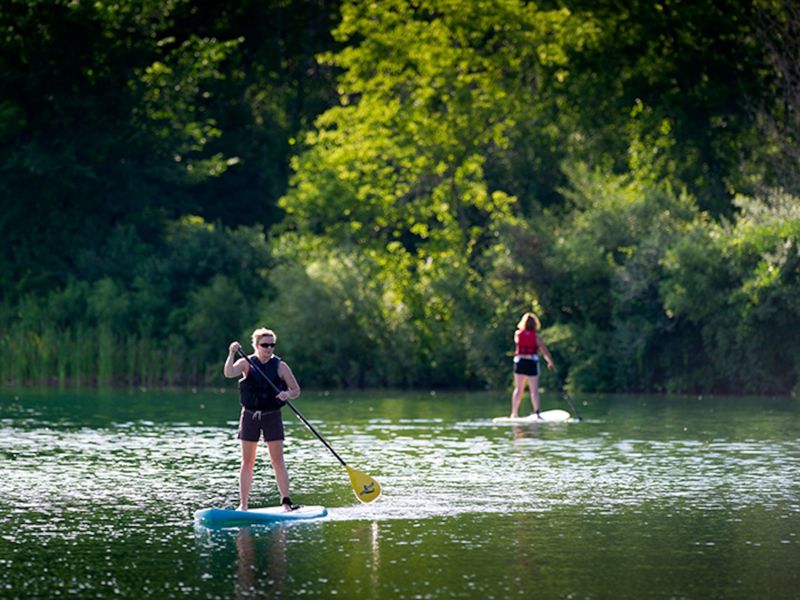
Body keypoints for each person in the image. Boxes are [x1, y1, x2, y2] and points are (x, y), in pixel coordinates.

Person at [224, 327, 301, 512]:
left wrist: (286, 394)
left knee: (278, 461)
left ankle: (286, 502)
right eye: (265, 345)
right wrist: (231, 353)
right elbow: (228, 373)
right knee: (247, 462)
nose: (269, 349)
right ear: (256, 345)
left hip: (271, 416)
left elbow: (296, 390)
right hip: (250, 416)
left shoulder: (281, 366)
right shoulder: (246, 363)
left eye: (272, 345)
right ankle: (243, 505)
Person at [510, 312, 555, 418]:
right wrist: (550, 362)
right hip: (531, 362)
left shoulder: (517, 334)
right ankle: (537, 413)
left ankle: (514, 413)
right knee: (534, 391)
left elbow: (519, 343)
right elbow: (545, 352)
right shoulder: (536, 336)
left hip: (520, 362)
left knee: (518, 389)